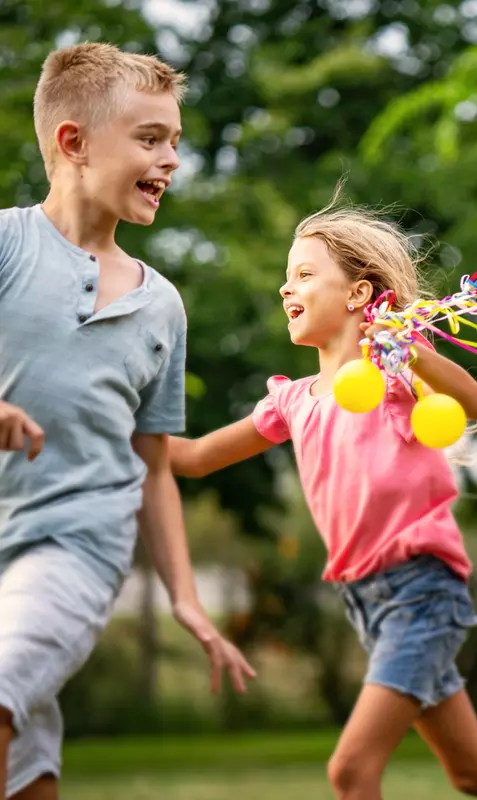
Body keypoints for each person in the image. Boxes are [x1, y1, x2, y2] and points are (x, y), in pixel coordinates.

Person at [169, 197, 477, 800]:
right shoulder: (291, 400)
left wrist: (409, 348)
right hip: (366, 600)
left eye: (303, 274)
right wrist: (93, 425)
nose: (286, 288)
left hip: (420, 590)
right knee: (475, 773)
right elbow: (194, 458)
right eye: (286, 276)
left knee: (350, 771)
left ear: (358, 295)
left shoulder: (394, 372)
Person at [0, 42, 255, 800]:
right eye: (149, 138)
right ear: (72, 142)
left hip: (77, 543)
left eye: (175, 141)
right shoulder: (8, 245)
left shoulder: (162, 307)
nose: (171, 158)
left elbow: (152, 466)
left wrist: (183, 594)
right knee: (25, 768)